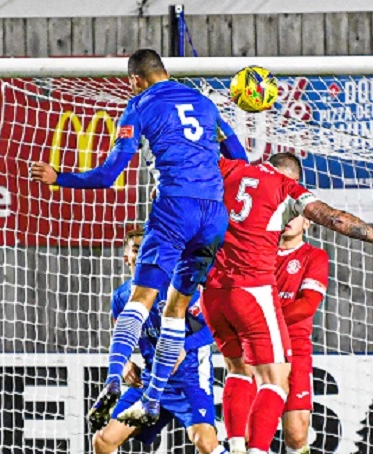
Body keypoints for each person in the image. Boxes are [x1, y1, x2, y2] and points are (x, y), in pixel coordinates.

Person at [31, 48, 248, 429]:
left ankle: (114, 375)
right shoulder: (204, 102)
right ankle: (151, 399)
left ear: (135, 79)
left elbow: (107, 175)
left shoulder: (139, 105)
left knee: (141, 298)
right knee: (176, 309)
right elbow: (240, 157)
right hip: (213, 214)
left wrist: (59, 177)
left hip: (174, 207)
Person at [203, 152, 373, 454]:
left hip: (213, 289)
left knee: (239, 373)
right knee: (276, 381)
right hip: (250, 293)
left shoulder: (231, 170)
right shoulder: (285, 188)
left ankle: (240, 453)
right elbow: (335, 218)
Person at [87, 228, 270, 454]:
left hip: (189, 384)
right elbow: (122, 334)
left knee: (205, 442)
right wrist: (128, 360)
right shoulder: (121, 297)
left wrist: (183, 346)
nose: (144, 253)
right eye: (136, 248)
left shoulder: (182, 289)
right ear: (128, 256)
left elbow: (213, 329)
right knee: (103, 441)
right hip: (149, 386)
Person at [273, 214, 329, 454]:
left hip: (295, 350)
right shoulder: (258, 252)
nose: (287, 220)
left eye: (295, 214)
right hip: (257, 349)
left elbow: (307, 306)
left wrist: (265, 316)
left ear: (307, 222)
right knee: (252, 435)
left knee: (296, 433)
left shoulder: (314, 257)